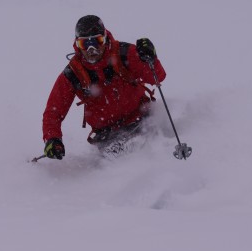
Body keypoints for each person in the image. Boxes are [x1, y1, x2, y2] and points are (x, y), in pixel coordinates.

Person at [42, 15, 166, 160]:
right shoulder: (73, 73)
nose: (91, 49)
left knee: (157, 146)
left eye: (97, 41)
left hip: (143, 118)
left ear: (105, 38)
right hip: (108, 135)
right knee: (117, 160)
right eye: (84, 44)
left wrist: (151, 59)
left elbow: (158, 77)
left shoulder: (124, 53)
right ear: (77, 45)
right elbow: (53, 112)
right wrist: (53, 138)